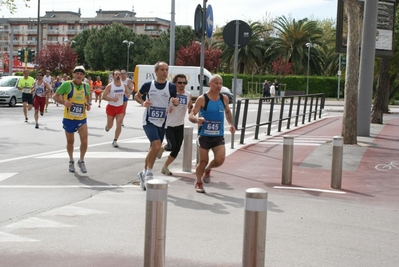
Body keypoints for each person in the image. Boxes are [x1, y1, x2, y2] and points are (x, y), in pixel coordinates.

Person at [134, 61, 179, 190]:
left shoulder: (171, 87)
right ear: (156, 72)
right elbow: (137, 96)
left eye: (166, 69)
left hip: (162, 122)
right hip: (148, 120)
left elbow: (174, 102)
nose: (165, 72)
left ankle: (143, 173)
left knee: (153, 148)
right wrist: (143, 103)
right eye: (162, 69)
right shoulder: (148, 85)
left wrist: (175, 102)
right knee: (157, 145)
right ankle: (148, 172)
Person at [188, 74, 236, 193]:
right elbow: (191, 115)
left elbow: (228, 112)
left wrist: (231, 124)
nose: (219, 86)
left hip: (218, 136)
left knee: (220, 160)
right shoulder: (202, 99)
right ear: (209, 84)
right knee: (202, 161)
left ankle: (209, 169)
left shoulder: (224, 98)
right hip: (204, 136)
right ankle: (199, 181)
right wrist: (196, 120)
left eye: (220, 83)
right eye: (216, 83)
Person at [52, 66, 91, 173]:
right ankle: (71, 160)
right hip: (69, 118)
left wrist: (87, 104)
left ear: (84, 76)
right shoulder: (66, 85)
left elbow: (86, 98)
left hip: (81, 118)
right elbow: (55, 96)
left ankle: (81, 160)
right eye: (77, 73)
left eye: (81, 74)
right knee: (70, 142)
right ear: (73, 74)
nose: (79, 75)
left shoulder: (86, 86)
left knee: (84, 140)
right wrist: (64, 103)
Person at [160, 74, 193, 176]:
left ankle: (165, 167)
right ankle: (162, 148)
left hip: (180, 125)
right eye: (180, 82)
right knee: (171, 146)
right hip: (168, 125)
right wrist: (167, 109)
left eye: (184, 83)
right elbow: (161, 105)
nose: (182, 85)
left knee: (177, 149)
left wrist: (191, 111)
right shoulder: (169, 94)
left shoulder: (188, 95)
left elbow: (190, 107)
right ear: (175, 83)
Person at [102, 69, 130, 148]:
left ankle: (115, 140)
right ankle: (107, 126)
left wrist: (127, 95)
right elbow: (103, 96)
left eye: (119, 74)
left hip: (120, 107)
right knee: (110, 125)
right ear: (113, 76)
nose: (118, 76)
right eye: (116, 74)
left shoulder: (124, 85)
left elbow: (127, 93)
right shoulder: (110, 86)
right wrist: (111, 99)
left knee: (119, 124)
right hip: (111, 107)